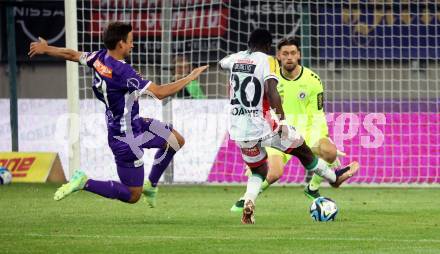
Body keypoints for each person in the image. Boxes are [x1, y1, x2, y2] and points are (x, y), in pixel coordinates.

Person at [28, 22, 208, 206]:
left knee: (176, 140)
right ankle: (85, 182)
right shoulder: (123, 72)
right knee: (132, 195)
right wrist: (190, 77)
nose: (133, 45)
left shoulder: (99, 57)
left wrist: (46, 48)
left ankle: (151, 185)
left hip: (133, 123)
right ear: (121, 43)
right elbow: (160, 93)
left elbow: (72, 54)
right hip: (127, 138)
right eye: (130, 41)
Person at [219, 29, 358, 224]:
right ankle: (333, 178)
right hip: (265, 125)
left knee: (259, 171)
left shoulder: (236, 58)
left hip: (239, 130)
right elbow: (272, 91)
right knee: (303, 152)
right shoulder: (267, 61)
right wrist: (283, 122)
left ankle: (249, 201)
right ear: (269, 48)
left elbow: (222, 63)